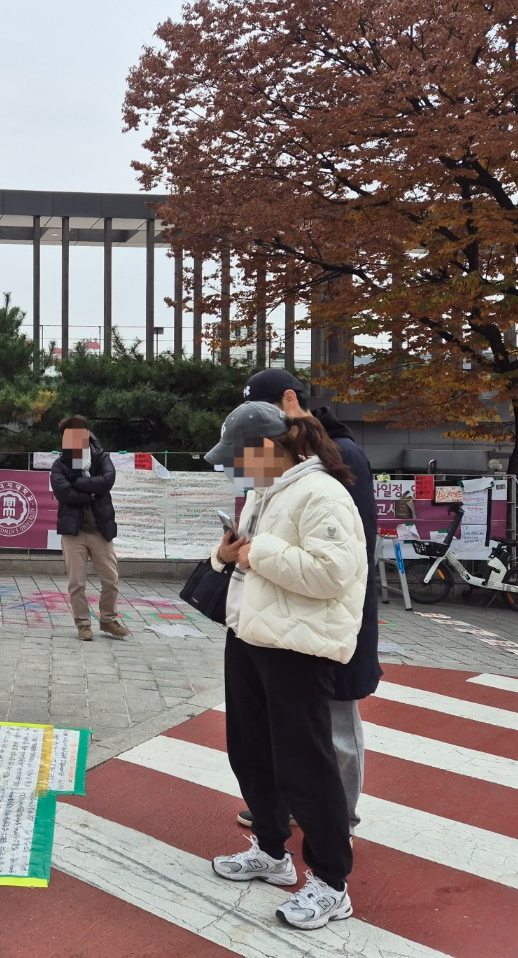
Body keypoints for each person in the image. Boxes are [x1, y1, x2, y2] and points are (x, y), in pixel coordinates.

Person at [205, 401, 367, 929]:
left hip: (298, 648)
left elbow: (331, 575)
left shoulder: (323, 493)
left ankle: (331, 882)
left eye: (239, 457)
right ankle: (272, 852)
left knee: (306, 766)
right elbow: (247, 555)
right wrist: (226, 554)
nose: (235, 468)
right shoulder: (264, 493)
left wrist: (256, 553)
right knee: (250, 752)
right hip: (251, 637)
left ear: (270, 449)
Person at [229, 369, 380, 836]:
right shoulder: (283, 469)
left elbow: (343, 559)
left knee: (333, 722)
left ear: (290, 403)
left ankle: (339, 815)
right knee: (290, 729)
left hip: (324, 619)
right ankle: (292, 804)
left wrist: (261, 553)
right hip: (284, 618)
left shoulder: (339, 457)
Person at [49, 415, 130, 642]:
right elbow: (64, 493)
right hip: (73, 533)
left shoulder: (100, 457)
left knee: (111, 579)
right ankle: (83, 624)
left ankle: (108, 619)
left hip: (100, 530)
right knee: (77, 583)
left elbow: (108, 480)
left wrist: (81, 485)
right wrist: (93, 490)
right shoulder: (60, 464)